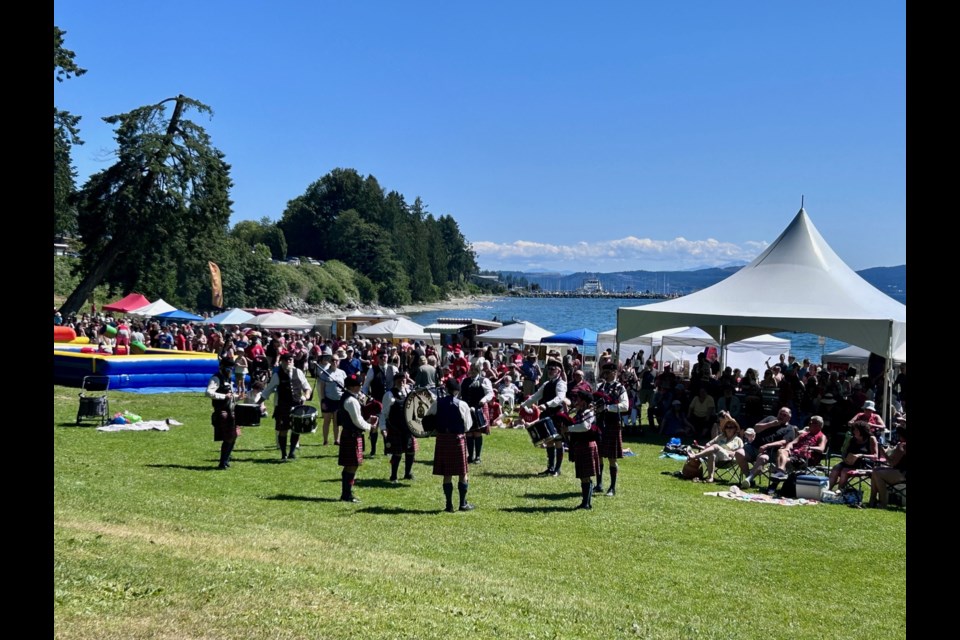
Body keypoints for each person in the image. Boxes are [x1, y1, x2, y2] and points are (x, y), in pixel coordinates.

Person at [425, 377, 475, 512]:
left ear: (446, 389)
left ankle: (448, 505)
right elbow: (468, 426)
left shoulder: (438, 403)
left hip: (443, 439)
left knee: (447, 473)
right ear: (457, 391)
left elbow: (427, 418)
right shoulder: (462, 405)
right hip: (457, 439)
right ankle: (462, 504)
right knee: (462, 472)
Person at [260, 352, 312, 461]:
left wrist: (306, 396)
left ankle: (292, 452)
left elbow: (307, 387)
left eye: (291, 360)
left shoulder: (299, 372)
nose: (289, 362)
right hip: (283, 406)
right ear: (282, 362)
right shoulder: (277, 375)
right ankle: (283, 454)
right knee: (283, 430)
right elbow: (267, 390)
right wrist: (258, 403)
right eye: (287, 360)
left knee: (296, 429)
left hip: (297, 405)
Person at [520, 359, 568, 477]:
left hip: (557, 415)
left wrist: (546, 405)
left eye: (553, 369)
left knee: (558, 442)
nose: (550, 371)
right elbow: (535, 396)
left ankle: (557, 469)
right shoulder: (546, 384)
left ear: (559, 371)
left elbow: (560, 398)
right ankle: (550, 468)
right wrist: (524, 405)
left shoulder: (561, 383)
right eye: (549, 369)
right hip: (547, 415)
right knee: (549, 441)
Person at [337, 374, 378, 503]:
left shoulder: (349, 398)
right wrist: (370, 426)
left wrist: (367, 420)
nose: (361, 387)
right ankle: (347, 494)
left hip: (350, 434)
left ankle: (346, 492)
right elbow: (357, 421)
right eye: (359, 385)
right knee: (352, 465)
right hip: (352, 434)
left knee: (350, 465)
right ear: (353, 387)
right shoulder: (351, 401)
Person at [737, 407, 796, 489]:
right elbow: (756, 428)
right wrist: (771, 424)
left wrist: (767, 445)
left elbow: (783, 442)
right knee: (739, 453)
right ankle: (749, 479)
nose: (781, 416)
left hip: (770, 452)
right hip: (754, 447)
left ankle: (748, 479)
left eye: (784, 415)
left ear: (789, 417)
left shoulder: (790, 429)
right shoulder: (770, 418)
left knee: (762, 458)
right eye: (780, 414)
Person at [595, 362, 629, 496]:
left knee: (611, 457)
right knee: (598, 455)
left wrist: (609, 408)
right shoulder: (600, 386)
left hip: (613, 423)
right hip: (600, 423)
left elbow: (625, 406)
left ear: (615, 373)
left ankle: (612, 488)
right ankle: (599, 484)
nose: (606, 375)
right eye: (605, 372)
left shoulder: (620, 388)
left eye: (608, 372)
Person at [565, 389, 602, 509]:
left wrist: (569, 429)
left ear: (584, 401)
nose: (576, 401)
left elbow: (585, 427)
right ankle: (585, 502)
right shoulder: (579, 412)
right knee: (582, 475)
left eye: (579, 399)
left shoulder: (589, 413)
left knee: (586, 475)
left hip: (587, 445)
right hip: (580, 445)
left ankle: (586, 503)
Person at [380, 372, 418, 483]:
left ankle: (408, 473)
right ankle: (393, 476)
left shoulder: (409, 392)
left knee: (411, 451)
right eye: (400, 380)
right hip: (395, 427)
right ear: (395, 381)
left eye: (404, 380)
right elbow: (383, 413)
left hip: (408, 428)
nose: (402, 382)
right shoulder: (389, 395)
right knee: (397, 453)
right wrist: (383, 428)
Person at [686, 412, 743, 483]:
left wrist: (733, 452)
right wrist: (699, 446)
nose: (729, 429)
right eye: (727, 427)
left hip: (728, 459)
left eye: (731, 427)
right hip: (717, 458)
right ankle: (710, 478)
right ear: (724, 429)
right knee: (711, 454)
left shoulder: (738, 440)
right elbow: (708, 445)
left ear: (735, 429)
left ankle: (695, 456)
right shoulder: (720, 437)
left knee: (716, 446)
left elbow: (741, 453)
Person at [768, 415, 829, 480]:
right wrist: (788, 448)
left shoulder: (821, 436)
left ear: (818, 425)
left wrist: (810, 448)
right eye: (809, 423)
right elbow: (792, 443)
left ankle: (777, 476)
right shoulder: (804, 434)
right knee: (781, 451)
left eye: (811, 423)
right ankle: (781, 471)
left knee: (784, 460)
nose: (809, 425)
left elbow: (821, 449)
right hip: (794, 454)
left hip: (806, 458)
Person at [206, 357, 240, 470]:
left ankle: (226, 459)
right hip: (222, 411)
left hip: (231, 410)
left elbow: (230, 394)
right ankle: (222, 462)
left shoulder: (228, 378)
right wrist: (223, 396)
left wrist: (237, 397)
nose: (231, 370)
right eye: (229, 367)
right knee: (228, 437)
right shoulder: (216, 378)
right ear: (223, 367)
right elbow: (208, 392)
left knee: (234, 436)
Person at [828, 421, 879, 491]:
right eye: (854, 430)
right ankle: (828, 490)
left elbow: (875, 456)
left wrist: (861, 455)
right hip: (850, 462)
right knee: (835, 468)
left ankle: (839, 491)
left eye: (856, 430)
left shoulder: (871, 439)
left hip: (863, 463)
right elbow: (845, 451)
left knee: (844, 471)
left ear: (862, 430)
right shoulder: (852, 439)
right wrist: (845, 457)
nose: (854, 431)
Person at [461, 361, 494, 464]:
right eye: (471, 369)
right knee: (469, 433)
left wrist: (483, 400)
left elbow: (490, 393)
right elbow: (459, 394)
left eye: (474, 370)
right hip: (467, 409)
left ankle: (478, 457)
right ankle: (470, 456)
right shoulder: (464, 381)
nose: (472, 371)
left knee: (477, 432)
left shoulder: (484, 381)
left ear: (478, 370)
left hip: (479, 408)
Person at [869, 427, 907, 508]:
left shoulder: (902, 446)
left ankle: (882, 503)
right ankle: (873, 499)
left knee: (878, 474)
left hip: (903, 473)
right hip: (901, 471)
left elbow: (892, 463)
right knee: (875, 470)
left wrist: (883, 452)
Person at [318, 353, 347, 446]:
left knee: (337, 421)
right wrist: (322, 401)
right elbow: (322, 389)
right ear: (330, 361)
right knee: (327, 420)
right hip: (328, 400)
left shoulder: (342, 373)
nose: (335, 362)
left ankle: (336, 440)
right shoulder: (325, 373)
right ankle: (325, 440)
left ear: (339, 362)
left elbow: (346, 386)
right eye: (333, 360)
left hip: (339, 400)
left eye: (336, 360)